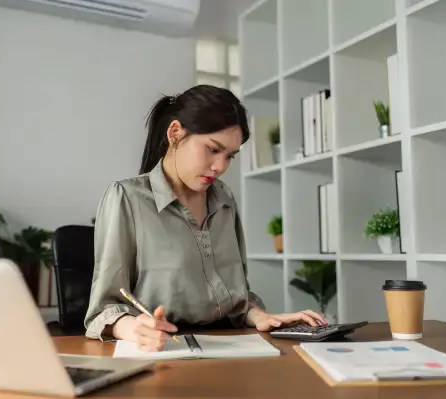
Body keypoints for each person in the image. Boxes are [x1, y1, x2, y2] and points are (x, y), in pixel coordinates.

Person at [84, 85, 327, 352]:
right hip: (162, 350)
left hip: (230, 348)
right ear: (175, 133)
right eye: (213, 149)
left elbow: (235, 297)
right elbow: (103, 311)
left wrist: (260, 317)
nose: (220, 167)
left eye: (229, 157)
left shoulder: (223, 198)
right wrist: (134, 329)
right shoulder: (126, 198)